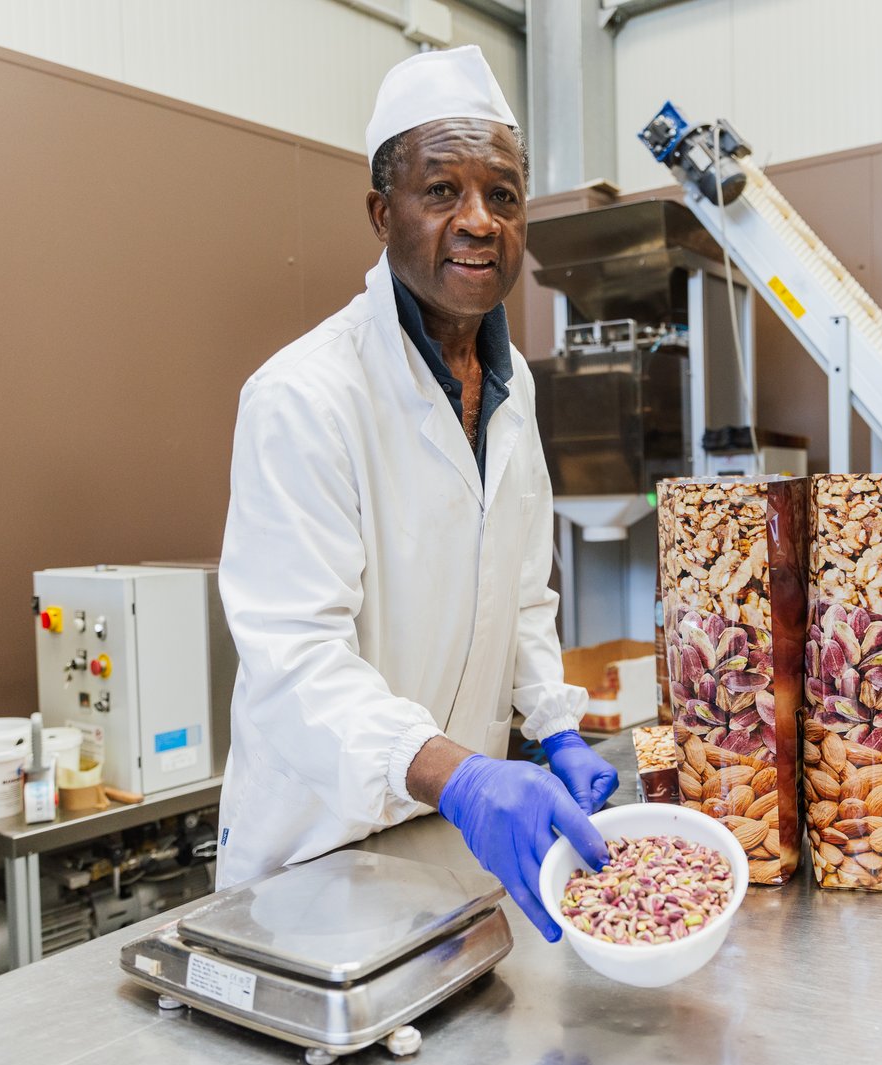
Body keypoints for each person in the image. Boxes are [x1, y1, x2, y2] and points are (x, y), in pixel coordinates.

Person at [214, 46, 616, 940]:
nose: (479, 221)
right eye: (442, 192)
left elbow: (519, 593)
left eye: (503, 195)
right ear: (380, 212)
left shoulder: (512, 390)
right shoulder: (304, 396)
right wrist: (463, 774)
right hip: (315, 861)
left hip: (442, 848)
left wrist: (555, 729)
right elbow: (297, 661)